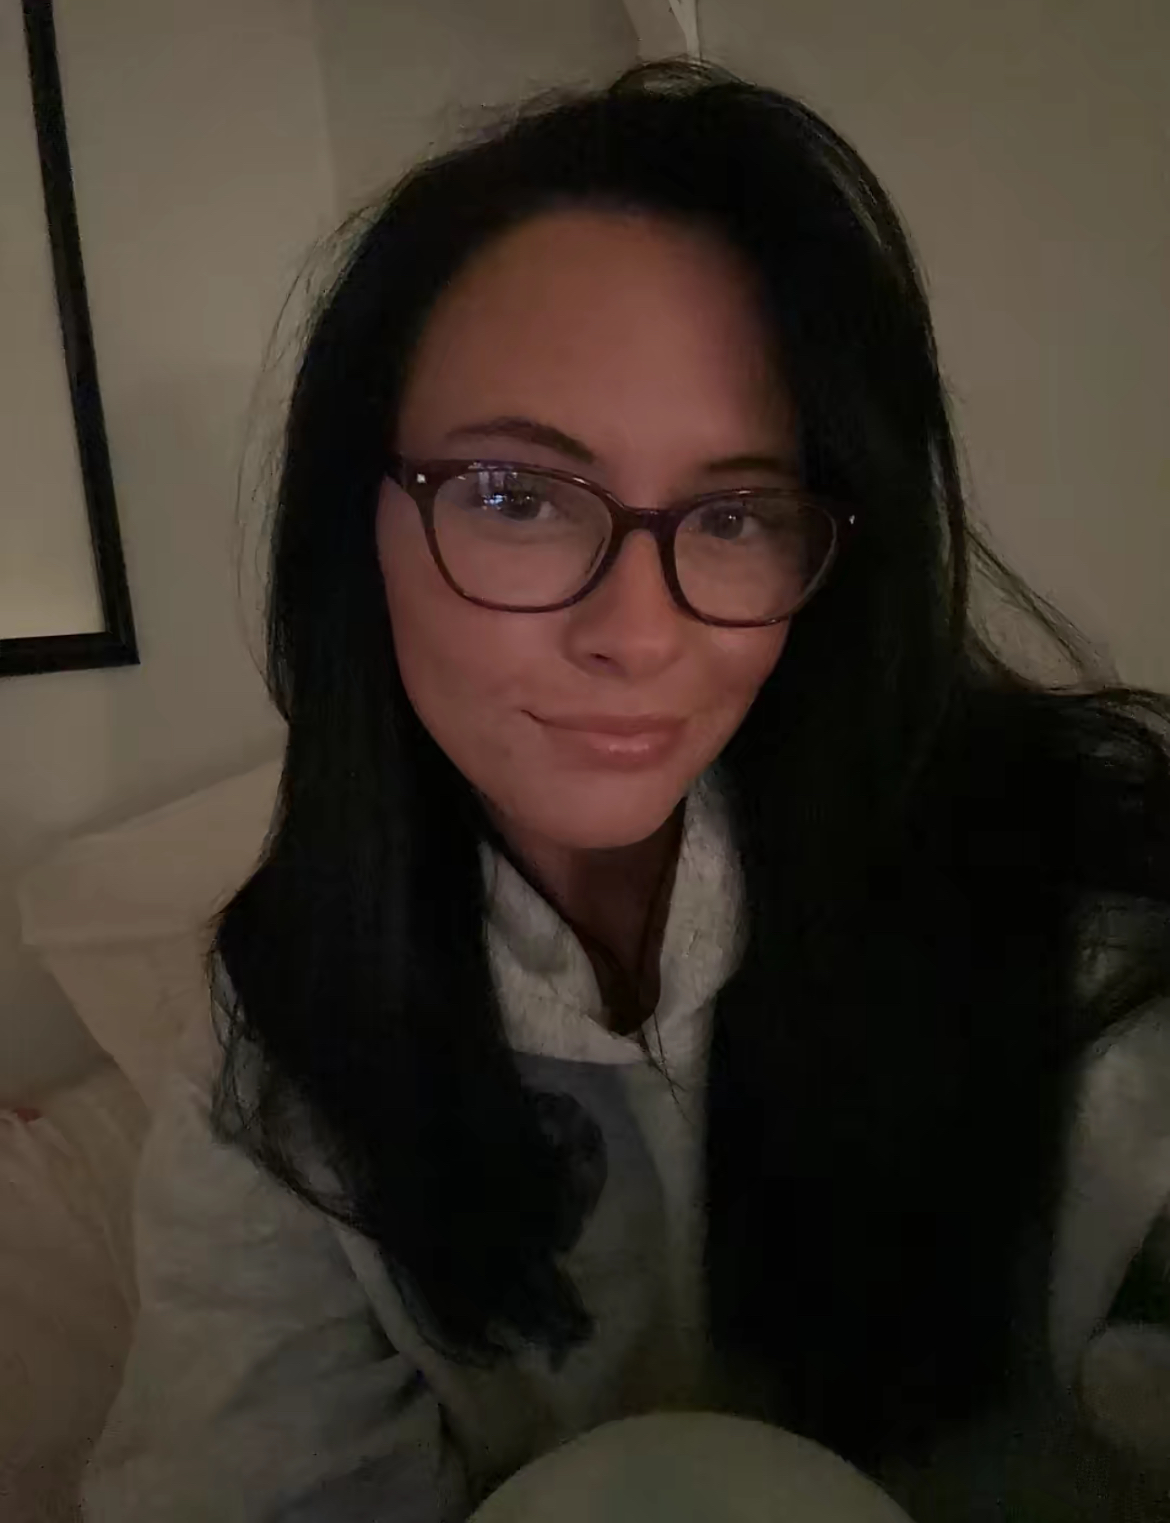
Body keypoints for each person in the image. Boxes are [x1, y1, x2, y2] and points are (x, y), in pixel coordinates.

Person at [83, 62, 1170, 1522]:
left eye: (735, 513)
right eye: (517, 496)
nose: (638, 634)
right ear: (355, 522)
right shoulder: (288, 1023)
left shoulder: (1081, 913)